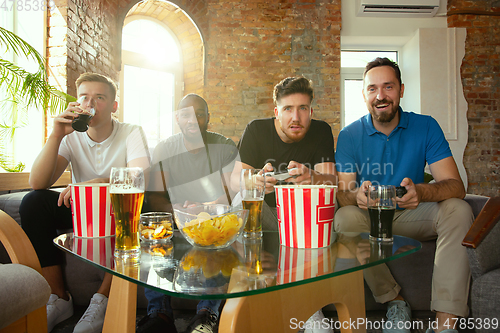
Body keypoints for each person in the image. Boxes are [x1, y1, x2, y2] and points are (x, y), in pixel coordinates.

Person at [334, 57, 473, 333]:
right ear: (364, 95)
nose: (381, 95)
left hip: (413, 213)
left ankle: (445, 325)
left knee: (459, 208)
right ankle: (395, 301)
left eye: (388, 87)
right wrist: (357, 197)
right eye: (372, 89)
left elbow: (455, 185)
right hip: (371, 218)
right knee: (345, 217)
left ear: (401, 90)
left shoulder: (426, 126)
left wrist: (421, 191)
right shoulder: (349, 135)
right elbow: (343, 193)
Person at [19, 73, 150, 333]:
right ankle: (58, 297)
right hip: (83, 212)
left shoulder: (131, 132)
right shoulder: (70, 136)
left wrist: (99, 181)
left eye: (100, 98)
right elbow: (38, 182)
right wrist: (56, 135)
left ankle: (103, 298)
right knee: (33, 202)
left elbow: (139, 176)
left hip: (115, 208)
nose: (91, 104)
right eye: (85, 97)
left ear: (113, 106)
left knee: (135, 205)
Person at [232, 76, 337, 333]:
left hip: (305, 220)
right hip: (267, 215)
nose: (296, 117)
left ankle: (310, 308)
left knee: (319, 207)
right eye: (288, 109)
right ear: (276, 112)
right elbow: (236, 180)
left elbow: (332, 182)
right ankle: (254, 293)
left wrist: (311, 177)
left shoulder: (321, 130)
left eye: (303, 109)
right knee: (240, 201)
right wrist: (255, 181)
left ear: (311, 111)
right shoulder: (256, 129)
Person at [139, 94, 239, 333]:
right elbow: (154, 197)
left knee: (219, 244)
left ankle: (207, 315)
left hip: (213, 222)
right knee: (155, 234)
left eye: (200, 114)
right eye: (186, 114)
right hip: (174, 220)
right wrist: (179, 212)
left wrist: (203, 209)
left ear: (208, 118)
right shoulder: (165, 148)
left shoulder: (223, 146)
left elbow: (229, 196)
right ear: (177, 118)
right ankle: (159, 313)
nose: (193, 120)